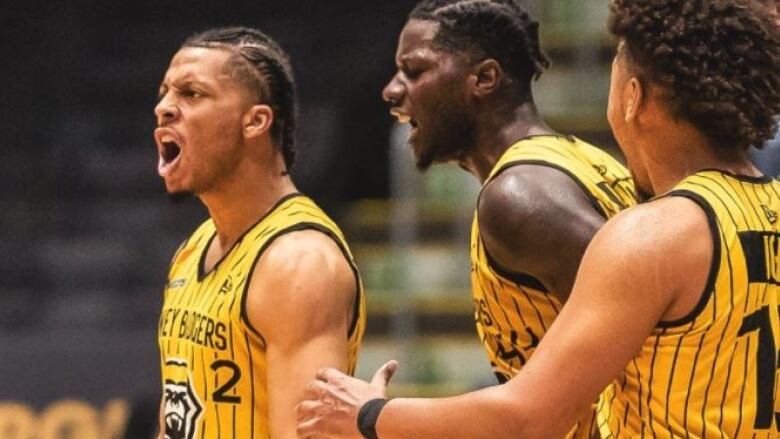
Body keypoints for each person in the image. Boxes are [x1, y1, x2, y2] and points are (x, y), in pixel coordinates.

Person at [295, 0, 780, 437]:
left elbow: (528, 417)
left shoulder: (646, 232)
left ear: (632, 96)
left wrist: (370, 414)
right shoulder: (751, 205)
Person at [317, 0, 636, 438]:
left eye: (415, 71)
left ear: (484, 78)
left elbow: (643, 355)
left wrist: (373, 415)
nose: (391, 90)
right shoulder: (581, 160)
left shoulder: (518, 198)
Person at [153, 27, 365, 439]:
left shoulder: (299, 264)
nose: (164, 107)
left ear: (255, 121)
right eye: (164, 92)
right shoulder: (194, 248)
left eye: (191, 94)